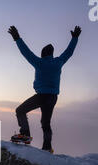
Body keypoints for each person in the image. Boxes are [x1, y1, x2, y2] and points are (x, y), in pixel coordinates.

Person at [8, 25, 81, 153]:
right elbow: (69, 52)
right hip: (53, 98)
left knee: (20, 110)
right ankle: (47, 147)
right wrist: (75, 38)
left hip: (41, 96)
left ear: (43, 54)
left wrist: (17, 38)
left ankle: (25, 136)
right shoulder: (58, 62)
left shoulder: (39, 62)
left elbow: (26, 52)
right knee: (45, 123)